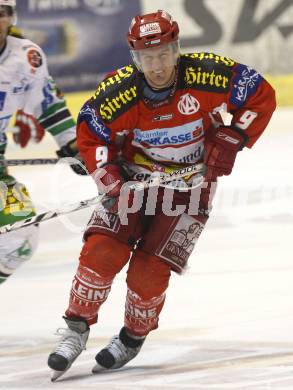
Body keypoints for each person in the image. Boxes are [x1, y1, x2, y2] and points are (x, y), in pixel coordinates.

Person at [47, 9, 276, 380]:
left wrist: (236, 136)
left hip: (191, 188)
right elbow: (92, 130)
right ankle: (76, 329)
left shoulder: (207, 74)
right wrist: (106, 175)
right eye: (148, 57)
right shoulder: (119, 92)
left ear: (176, 48)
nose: (157, 65)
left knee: (149, 273)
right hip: (135, 182)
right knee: (102, 252)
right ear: (136, 58)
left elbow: (260, 94)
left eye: (164, 54)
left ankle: (132, 337)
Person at [0, 0, 84, 284]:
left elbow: (46, 104)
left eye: (1, 12)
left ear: (12, 17)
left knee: (19, 236)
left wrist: (72, 144)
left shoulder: (26, 58)